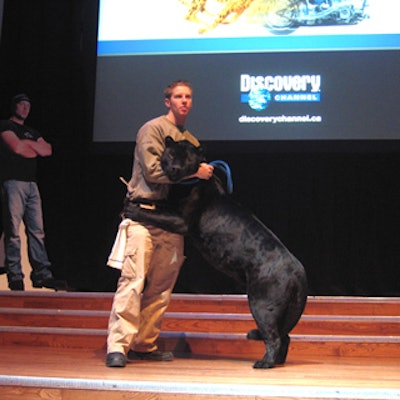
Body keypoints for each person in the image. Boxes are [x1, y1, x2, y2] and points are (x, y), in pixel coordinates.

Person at [105, 80, 214, 368]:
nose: (184, 101)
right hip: (143, 215)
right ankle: (118, 345)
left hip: (172, 220)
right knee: (133, 281)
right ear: (168, 101)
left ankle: (144, 343)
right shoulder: (151, 129)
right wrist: (195, 172)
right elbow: (154, 172)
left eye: (188, 96)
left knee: (161, 288)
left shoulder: (190, 139)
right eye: (178, 96)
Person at [0, 94, 61, 291]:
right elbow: (17, 148)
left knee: (37, 231)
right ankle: (15, 275)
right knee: (13, 232)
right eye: (22, 105)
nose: (26, 109)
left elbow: (48, 150)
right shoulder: (6, 126)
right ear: (14, 106)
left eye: (28, 105)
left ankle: (42, 274)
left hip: (31, 185)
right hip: (13, 183)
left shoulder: (31, 131)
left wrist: (30, 146)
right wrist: (32, 147)